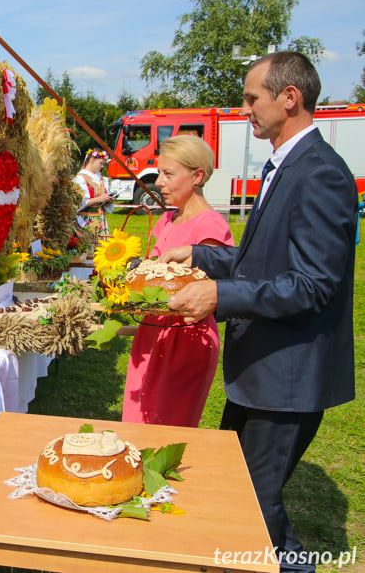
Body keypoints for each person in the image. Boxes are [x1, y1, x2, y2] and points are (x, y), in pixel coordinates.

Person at [161, 52, 356, 572]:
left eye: (252, 98)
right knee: (238, 489)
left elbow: (313, 285)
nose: (244, 108)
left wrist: (219, 296)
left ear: (288, 97)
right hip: (261, 373)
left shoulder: (320, 174)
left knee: (250, 499)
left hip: (287, 377)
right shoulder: (288, 164)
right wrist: (202, 256)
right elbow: (265, 261)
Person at [122, 135, 234, 428]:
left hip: (187, 339)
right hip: (151, 332)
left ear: (197, 176)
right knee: (137, 420)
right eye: (160, 173)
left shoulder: (210, 225)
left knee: (169, 427)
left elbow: (213, 286)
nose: (159, 181)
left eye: (168, 174)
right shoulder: (168, 220)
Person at [73, 149, 114, 234]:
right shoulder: (80, 178)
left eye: (103, 164)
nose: (102, 166)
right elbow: (78, 203)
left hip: (100, 219)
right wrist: (98, 199)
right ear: (92, 160)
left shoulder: (101, 178)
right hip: (86, 219)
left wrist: (109, 201)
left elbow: (103, 202)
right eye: (100, 163)